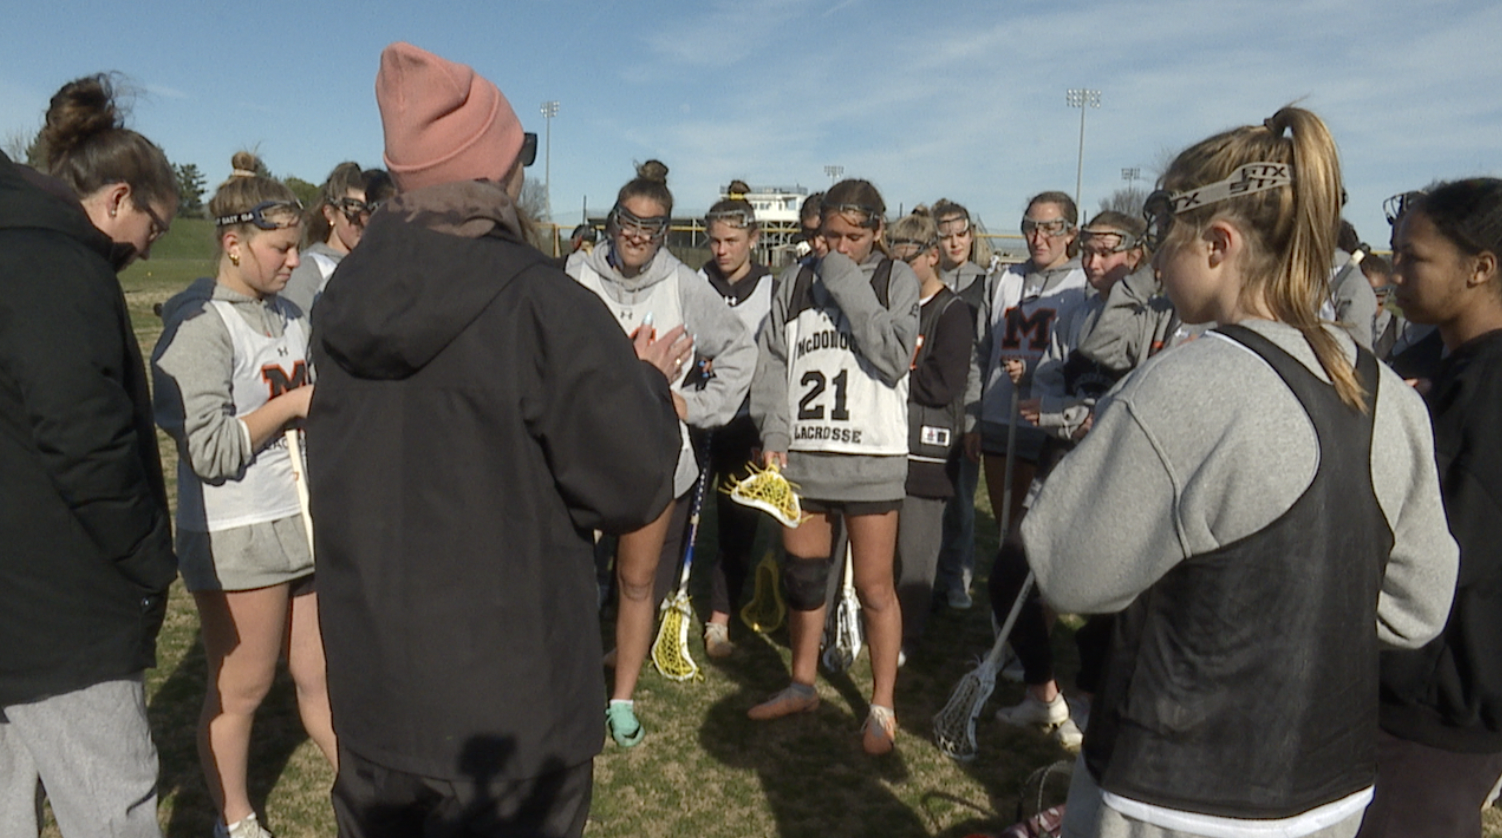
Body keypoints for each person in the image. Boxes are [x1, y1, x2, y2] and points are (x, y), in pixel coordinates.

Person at [1022, 106, 1459, 838]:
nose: (1156, 261)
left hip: (1173, 793)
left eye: (1165, 238)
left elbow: (1066, 569)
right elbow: (1417, 609)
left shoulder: (1186, 384)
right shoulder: (1385, 391)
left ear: (1219, 244)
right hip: (1329, 791)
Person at [307, 43, 684, 837]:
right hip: (513, 723)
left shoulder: (344, 298)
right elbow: (633, 483)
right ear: (494, 172)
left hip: (378, 707)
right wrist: (644, 381)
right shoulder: (542, 304)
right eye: (521, 156)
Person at [0, 72, 178, 838]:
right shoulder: (55, 266)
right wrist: (147, 560)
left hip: (20, 601)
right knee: (113, 804)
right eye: (155, 227)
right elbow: (86, 440)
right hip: (61, 617)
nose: (148, 246)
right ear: (115, 200)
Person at [152, 153, 334, 838]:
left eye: (297, 246)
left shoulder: (289, 314)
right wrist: (290, 409)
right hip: (238, 532)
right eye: (281, 248)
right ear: (234, 243)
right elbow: (211, 450)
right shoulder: (200, 326)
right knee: (244, 690)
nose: (294, 261)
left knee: (319, 676)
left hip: (301, 523)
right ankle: (237, 817)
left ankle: (363, 785)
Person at [567, 160, 753, 747]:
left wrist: (692, 406)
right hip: (583, 457)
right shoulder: (578, 273)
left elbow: (739, 351)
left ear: (667, 231)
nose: (638, 238)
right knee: (566, 577)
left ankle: (620, 699)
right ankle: (562, 685)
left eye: (652, 229)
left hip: (655, 462)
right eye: (629, 224)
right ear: (612, 221)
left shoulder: (682, 284)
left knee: (637, 582)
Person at [747, 179, 919, 756]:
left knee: (873, 586)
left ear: (877, 232)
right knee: (802, 578)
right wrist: (773, 429)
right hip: (805, 455)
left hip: (870, 455)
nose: (838, 247)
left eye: (853, 237)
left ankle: (882, 705)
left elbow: (894, 355)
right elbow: (772, 357)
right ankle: (802, 683)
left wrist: (845, 282)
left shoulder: (895, 278)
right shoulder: (796, 279)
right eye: (829, 236)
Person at [1358, 178, 1502, 838]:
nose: (1393, 274)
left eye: (1413, 258)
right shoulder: (1418, 357)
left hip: (1443, 707)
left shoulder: (1490, 390)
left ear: (1481, 269)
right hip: (1376, 685)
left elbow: (1454, 547)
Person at [991, 211, 1153, 750]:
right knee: (1012, 566)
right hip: (1062, 456)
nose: (1093, 261)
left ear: (1135, 253)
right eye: (1088, 250)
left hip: (1119, 466)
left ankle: (1091, 693)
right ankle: (1043, 692)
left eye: (1107, 251)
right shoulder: (1078, 310)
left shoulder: (1154, 315)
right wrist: (1052, 400)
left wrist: (1067, 412)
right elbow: (1053, 376)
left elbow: (1124, 402)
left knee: (1110, 593)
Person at [887, 209, 972, 661]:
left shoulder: (953, 312)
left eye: (910, 256)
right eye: (894, 254)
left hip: (928, 454)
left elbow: (942, 384)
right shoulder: (893, 307)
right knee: (883, 552)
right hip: (887, 446)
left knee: (916, 555)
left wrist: (894, 375)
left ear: (933, 255)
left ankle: (908, 635)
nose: (900, 265)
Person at [696, 180, 775, 659]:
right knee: (674, 521)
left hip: (745, 422)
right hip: (696, 418)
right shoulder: (694, 283)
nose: (722, 250)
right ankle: (662, 604)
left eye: (732, 241)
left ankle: (720, 621)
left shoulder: (772, 288)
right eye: (715, 240)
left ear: (753, 238)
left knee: (737, 526)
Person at [930, 198, 989, 610]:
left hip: (962, 408)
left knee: (962, 502)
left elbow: (982, 358)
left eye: (961, 234)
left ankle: (958, 578)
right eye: (945, 235)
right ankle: (923, 574)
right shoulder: (924, 280)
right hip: (926, 404)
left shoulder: (986, 284)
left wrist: (973, 418)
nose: (955, 243)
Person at [280, 161, 375, 313]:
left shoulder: (377, 264)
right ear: (330, 214)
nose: (363, 222)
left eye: (370, 213)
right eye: (354, 213)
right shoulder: (308, 270)